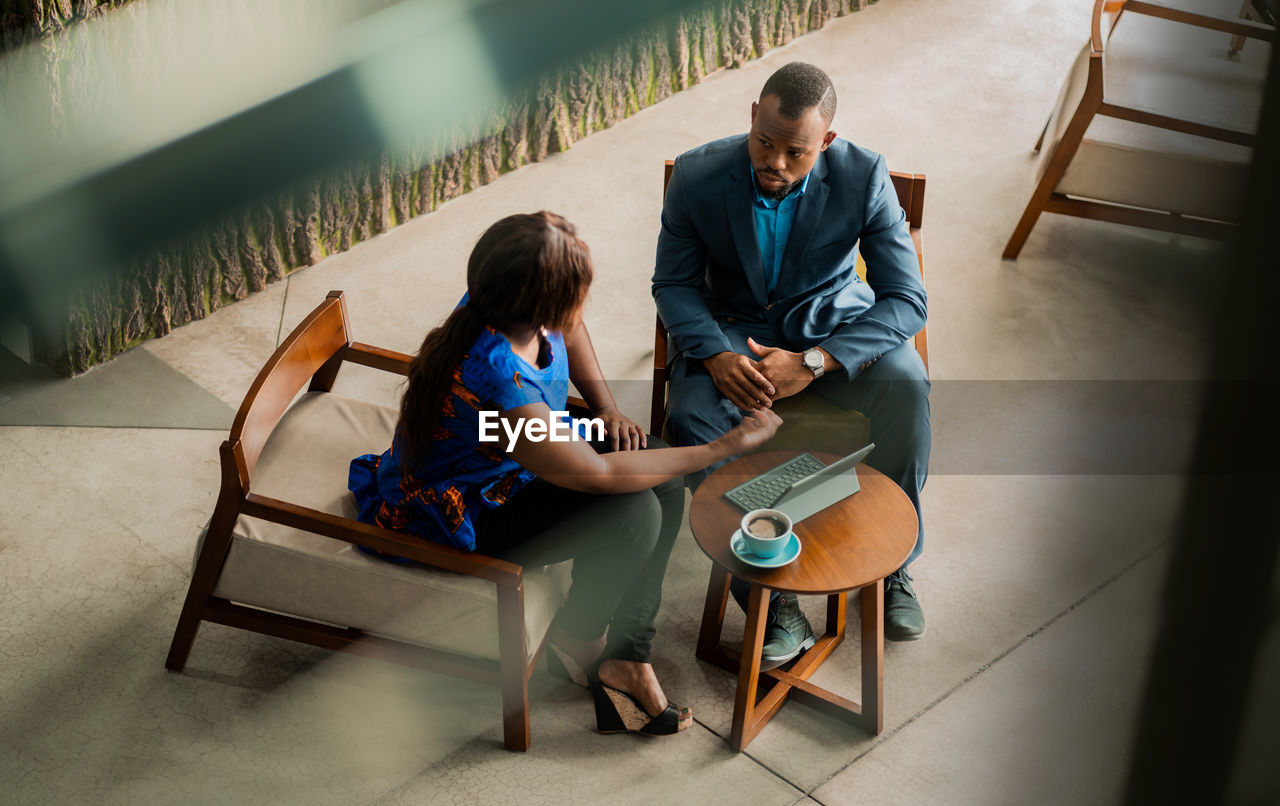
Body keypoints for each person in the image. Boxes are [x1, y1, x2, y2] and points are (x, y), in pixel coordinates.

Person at [350, 211, 781, 737]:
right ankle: (583, 638)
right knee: (634, 511)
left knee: (658, 467)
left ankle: (627, 655)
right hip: (468, 509)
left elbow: (571, 330)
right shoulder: (500, 381)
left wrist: (606, 409)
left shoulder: (508, 305)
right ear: (543, 305)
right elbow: (597, 475)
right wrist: (724, 446)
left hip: (514, 457)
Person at [652, 61, 931, 663]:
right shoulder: (698, 175)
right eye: (765, 143)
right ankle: (768, 592)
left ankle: (896, 569)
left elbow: (908, 299)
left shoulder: (864, 176)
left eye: (795, 152)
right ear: (753, 116)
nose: (774, 163)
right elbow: (672, 285)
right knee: (693, 418)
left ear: (826, 142)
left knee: (907, 382)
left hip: (831, 330)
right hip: (735, 336)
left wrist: (816, 361)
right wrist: (717, 354)